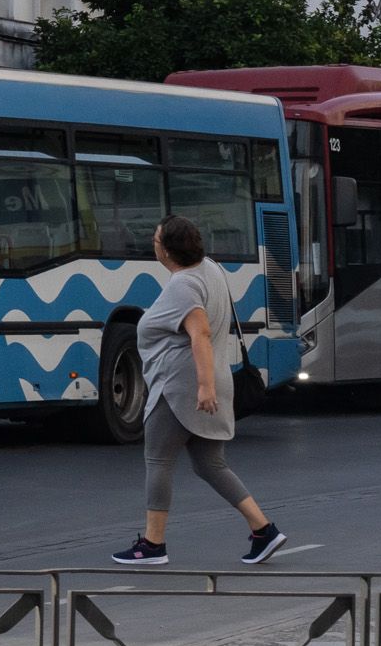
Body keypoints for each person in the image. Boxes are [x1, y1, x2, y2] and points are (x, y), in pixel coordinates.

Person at [113, 216, 287, 566]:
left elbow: (200, 333)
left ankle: (152, 544)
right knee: (210, 464)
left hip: (180, 388)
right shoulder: (211, 269)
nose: (152, 241)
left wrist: (204, 387)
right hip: (207, 381)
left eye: (156, 237)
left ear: (166, 250)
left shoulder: (184, 286)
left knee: (158, 460)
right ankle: (263, 530)